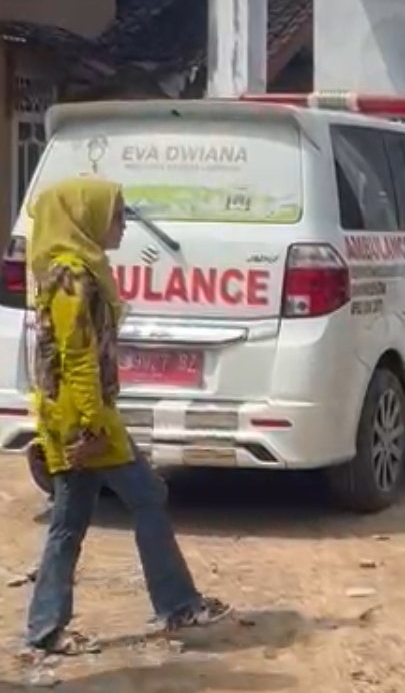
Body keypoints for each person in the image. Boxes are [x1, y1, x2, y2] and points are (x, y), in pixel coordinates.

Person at [25, 177, 229, 656]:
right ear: (87, 218)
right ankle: (177, 605)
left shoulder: (68, 269)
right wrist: (93, 428)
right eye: (116, 216)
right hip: (84, 419)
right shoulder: (74, 279)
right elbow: (78, 358)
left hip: (72, 415)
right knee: (146, 496)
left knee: (70, 520)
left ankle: (45, 627)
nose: (120, 226)